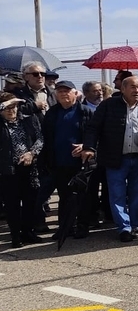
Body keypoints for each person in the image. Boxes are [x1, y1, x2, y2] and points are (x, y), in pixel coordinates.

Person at [82, 75, 138, 242]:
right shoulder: (108, 106)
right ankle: (123, 228)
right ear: (123, 89)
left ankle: (135, 225)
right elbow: (93, 128)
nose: (137, 91)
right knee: (117, 195)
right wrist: (89, 147)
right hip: (115, 159)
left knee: (137, 195)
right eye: (133, 87)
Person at [41, 81, 93, 239]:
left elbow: (95, 134)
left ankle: (83, 226)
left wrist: (86, 146)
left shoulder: (85, 112)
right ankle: (65, 228)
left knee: (83, 197)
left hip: (81, 163)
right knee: (64, 197)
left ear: (75, 93)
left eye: (67, 91)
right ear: (55, 95)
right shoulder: (52, 113)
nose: (63, 94)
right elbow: (46, 137)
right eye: (60, 91)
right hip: (58, 162)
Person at [0, 92, 44, 247]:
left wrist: (31, 153)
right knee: (12, 204)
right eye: (7, 108)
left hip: (29, 168)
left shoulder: (28, 120)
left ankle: (28, 232)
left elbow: (40, 139)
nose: (12, 111)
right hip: (7, 170)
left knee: (30, 202)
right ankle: (15, 235)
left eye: (14, 107)